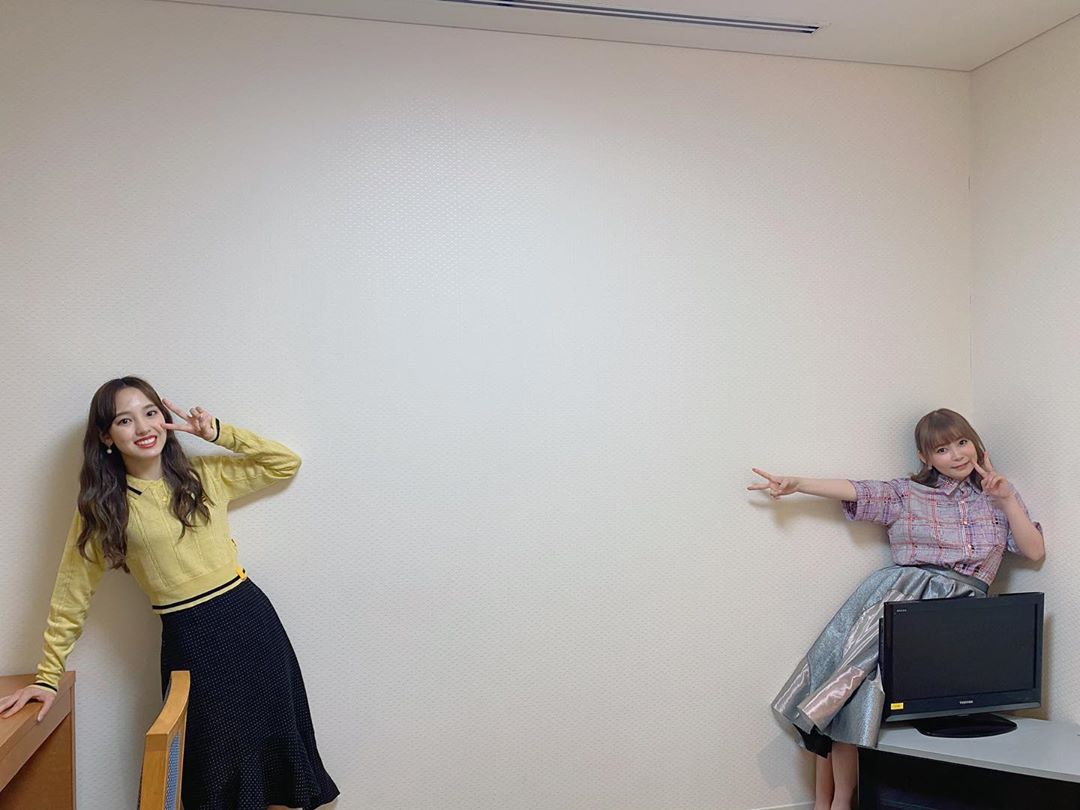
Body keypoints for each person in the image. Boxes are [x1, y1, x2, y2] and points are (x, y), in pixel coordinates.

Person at [0, 377, 339, 810]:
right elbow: (71, 594)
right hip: (191, 640)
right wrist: (48, 678)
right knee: (215, 769)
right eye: (125, 420)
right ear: (106, 436)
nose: (143, 427)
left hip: (252, 625)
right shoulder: (103, 507)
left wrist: (216, 433)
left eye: (150, 412)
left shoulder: (204, 475)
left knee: (276, 765)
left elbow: (284, 462)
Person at [748, 408, 1044, 810]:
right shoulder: (907, 494)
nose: (956, 455)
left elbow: (1033, 551)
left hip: (957, 616)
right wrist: (798, 483)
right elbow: (857, 490)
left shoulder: (998, 495)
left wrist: (1006, 498)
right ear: (926, 458)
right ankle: (831, 803)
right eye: (942, 449)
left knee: (849, 694)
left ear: (976, 444)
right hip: (901, 600)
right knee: (846, 692)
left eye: (962, 443)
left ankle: (834, 803)